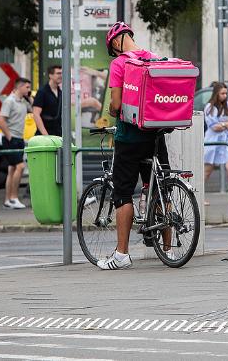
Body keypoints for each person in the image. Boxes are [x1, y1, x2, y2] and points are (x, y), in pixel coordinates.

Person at [96, 21, 171, 270]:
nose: (114, 52)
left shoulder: (119, 63)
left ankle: (122, 254)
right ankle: (169, 249)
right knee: (162, 188)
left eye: (112, 47)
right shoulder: (153, 58)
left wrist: (110, 109)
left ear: (116, 41)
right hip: (156, 135)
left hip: (129, 138)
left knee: (123, 193)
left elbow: (116, 104)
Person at [0, 78, 32, 210]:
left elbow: (33, 110)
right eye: (27, 87)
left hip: (19, 138)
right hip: (11, 138)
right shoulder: (9, 101)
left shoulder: (23, 101)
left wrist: (29, 98)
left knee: (12, 169)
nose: (29, 90)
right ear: (20, 87)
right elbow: (1, 121)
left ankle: (8, 199)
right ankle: (13, 198)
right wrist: (10, 137)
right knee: (20, 166)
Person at [32, 65, 62, 136]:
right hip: (44, 135)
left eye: (61, 73)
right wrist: (45, 135)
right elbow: (36, 114)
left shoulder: (60, 92)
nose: (61, 76)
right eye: (58, 73)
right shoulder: (42, 92)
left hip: (57, 134)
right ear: (50, 75)